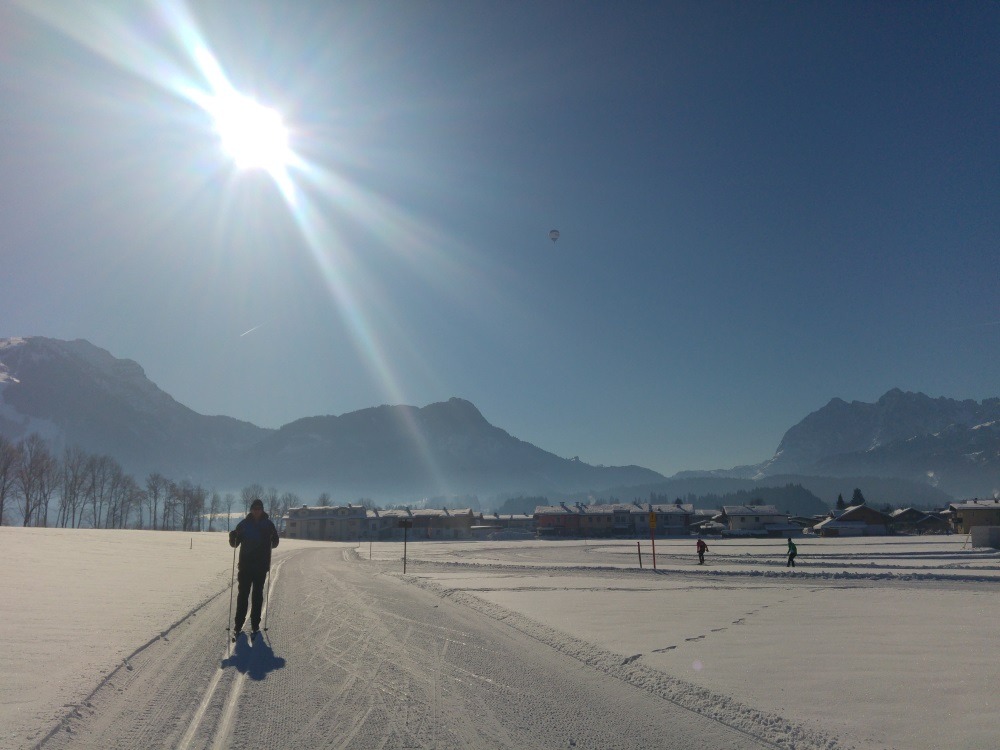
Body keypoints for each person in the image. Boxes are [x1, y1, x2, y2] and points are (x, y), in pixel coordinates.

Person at [229, 498, 279, 640]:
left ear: (262, 510)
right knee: (242, 596)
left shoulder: (268, 525)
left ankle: (255, 626)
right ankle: (238, 626)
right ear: (251, 510)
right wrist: (232, 536)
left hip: (261, 567)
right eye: (254, 508)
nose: (256, 511)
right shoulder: (244, 524)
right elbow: (234, 544)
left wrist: (274, 537)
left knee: (257, 596)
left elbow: (274, 543)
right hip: (245, 566)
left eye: (259, 508)